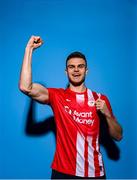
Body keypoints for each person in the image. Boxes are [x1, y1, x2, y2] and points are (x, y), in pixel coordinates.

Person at [19, 35, 123, 179]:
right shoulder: (57, 96)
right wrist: (29, 49)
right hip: (62, 173)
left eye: (80, 66)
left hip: (93, 173)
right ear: (66, 71)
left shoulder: (100, 99)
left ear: (86, 71)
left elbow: (118, 136)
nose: (76, 70)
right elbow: (25, 87)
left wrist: (107, 115)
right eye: (71, 67)